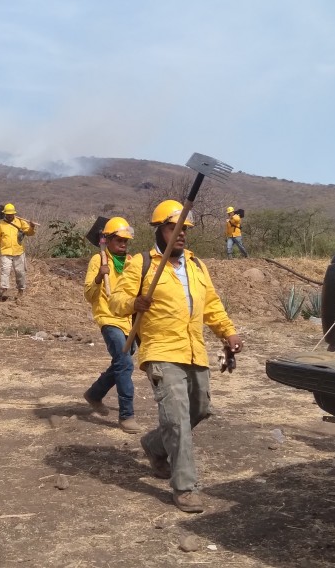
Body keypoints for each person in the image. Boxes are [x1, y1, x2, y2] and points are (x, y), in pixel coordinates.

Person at [109, 200, 243, 513]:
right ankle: (185, 487)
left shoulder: (196, 265)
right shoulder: (141, 263)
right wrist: (135, 303)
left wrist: (229, 332)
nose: (181, 234)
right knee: (177, 420)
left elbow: (211, 305)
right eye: (174, 228)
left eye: (185, 229)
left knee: (199, 409)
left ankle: (154, 445)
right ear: (159, 229)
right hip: (161, 350)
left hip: (194, 350)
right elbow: (116, 301)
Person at [82, 217, 140, 434]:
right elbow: (89, 295)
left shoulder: (131, 262)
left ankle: (95, 394)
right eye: (119, 240)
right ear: (107, 240)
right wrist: (99, 278)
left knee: (120, 362)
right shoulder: (99, 260)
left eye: (126, 241)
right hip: (108, 319)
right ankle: (126, 415)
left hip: (129, 320)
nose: (123, 244)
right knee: (125, 363)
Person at [0, 203, 36, 299]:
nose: (10, 216)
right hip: (5, 252)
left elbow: (29, 233)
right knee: (5, 271)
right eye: (8, 214)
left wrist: (32, 227)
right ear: (5, 214)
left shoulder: (20, 222)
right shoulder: (0, 225)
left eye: (11, 214)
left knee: (20, 272)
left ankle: (20, 290)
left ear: (14, 213)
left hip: (18, 251)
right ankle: (4, 288)